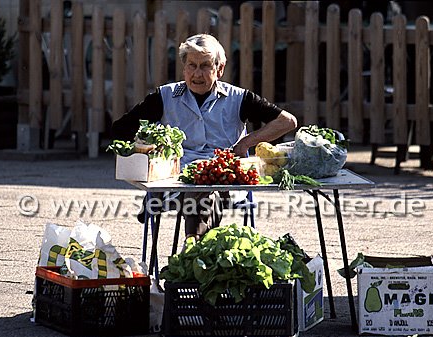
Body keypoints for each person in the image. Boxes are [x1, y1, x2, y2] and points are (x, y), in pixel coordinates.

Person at [111, 33, 297, 241]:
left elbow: (287, 121)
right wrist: (150, 146)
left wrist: (245, 143)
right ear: (184, 68)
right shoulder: (164, 96)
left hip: (225, 180)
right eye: (192, 65)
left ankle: (192, 246)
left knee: (206, 193)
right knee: (200, 194)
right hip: (176, 182)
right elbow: (121, 130)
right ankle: (195, 249)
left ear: (220, 69)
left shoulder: (238, 98)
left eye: (205, 66)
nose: (197, 73)